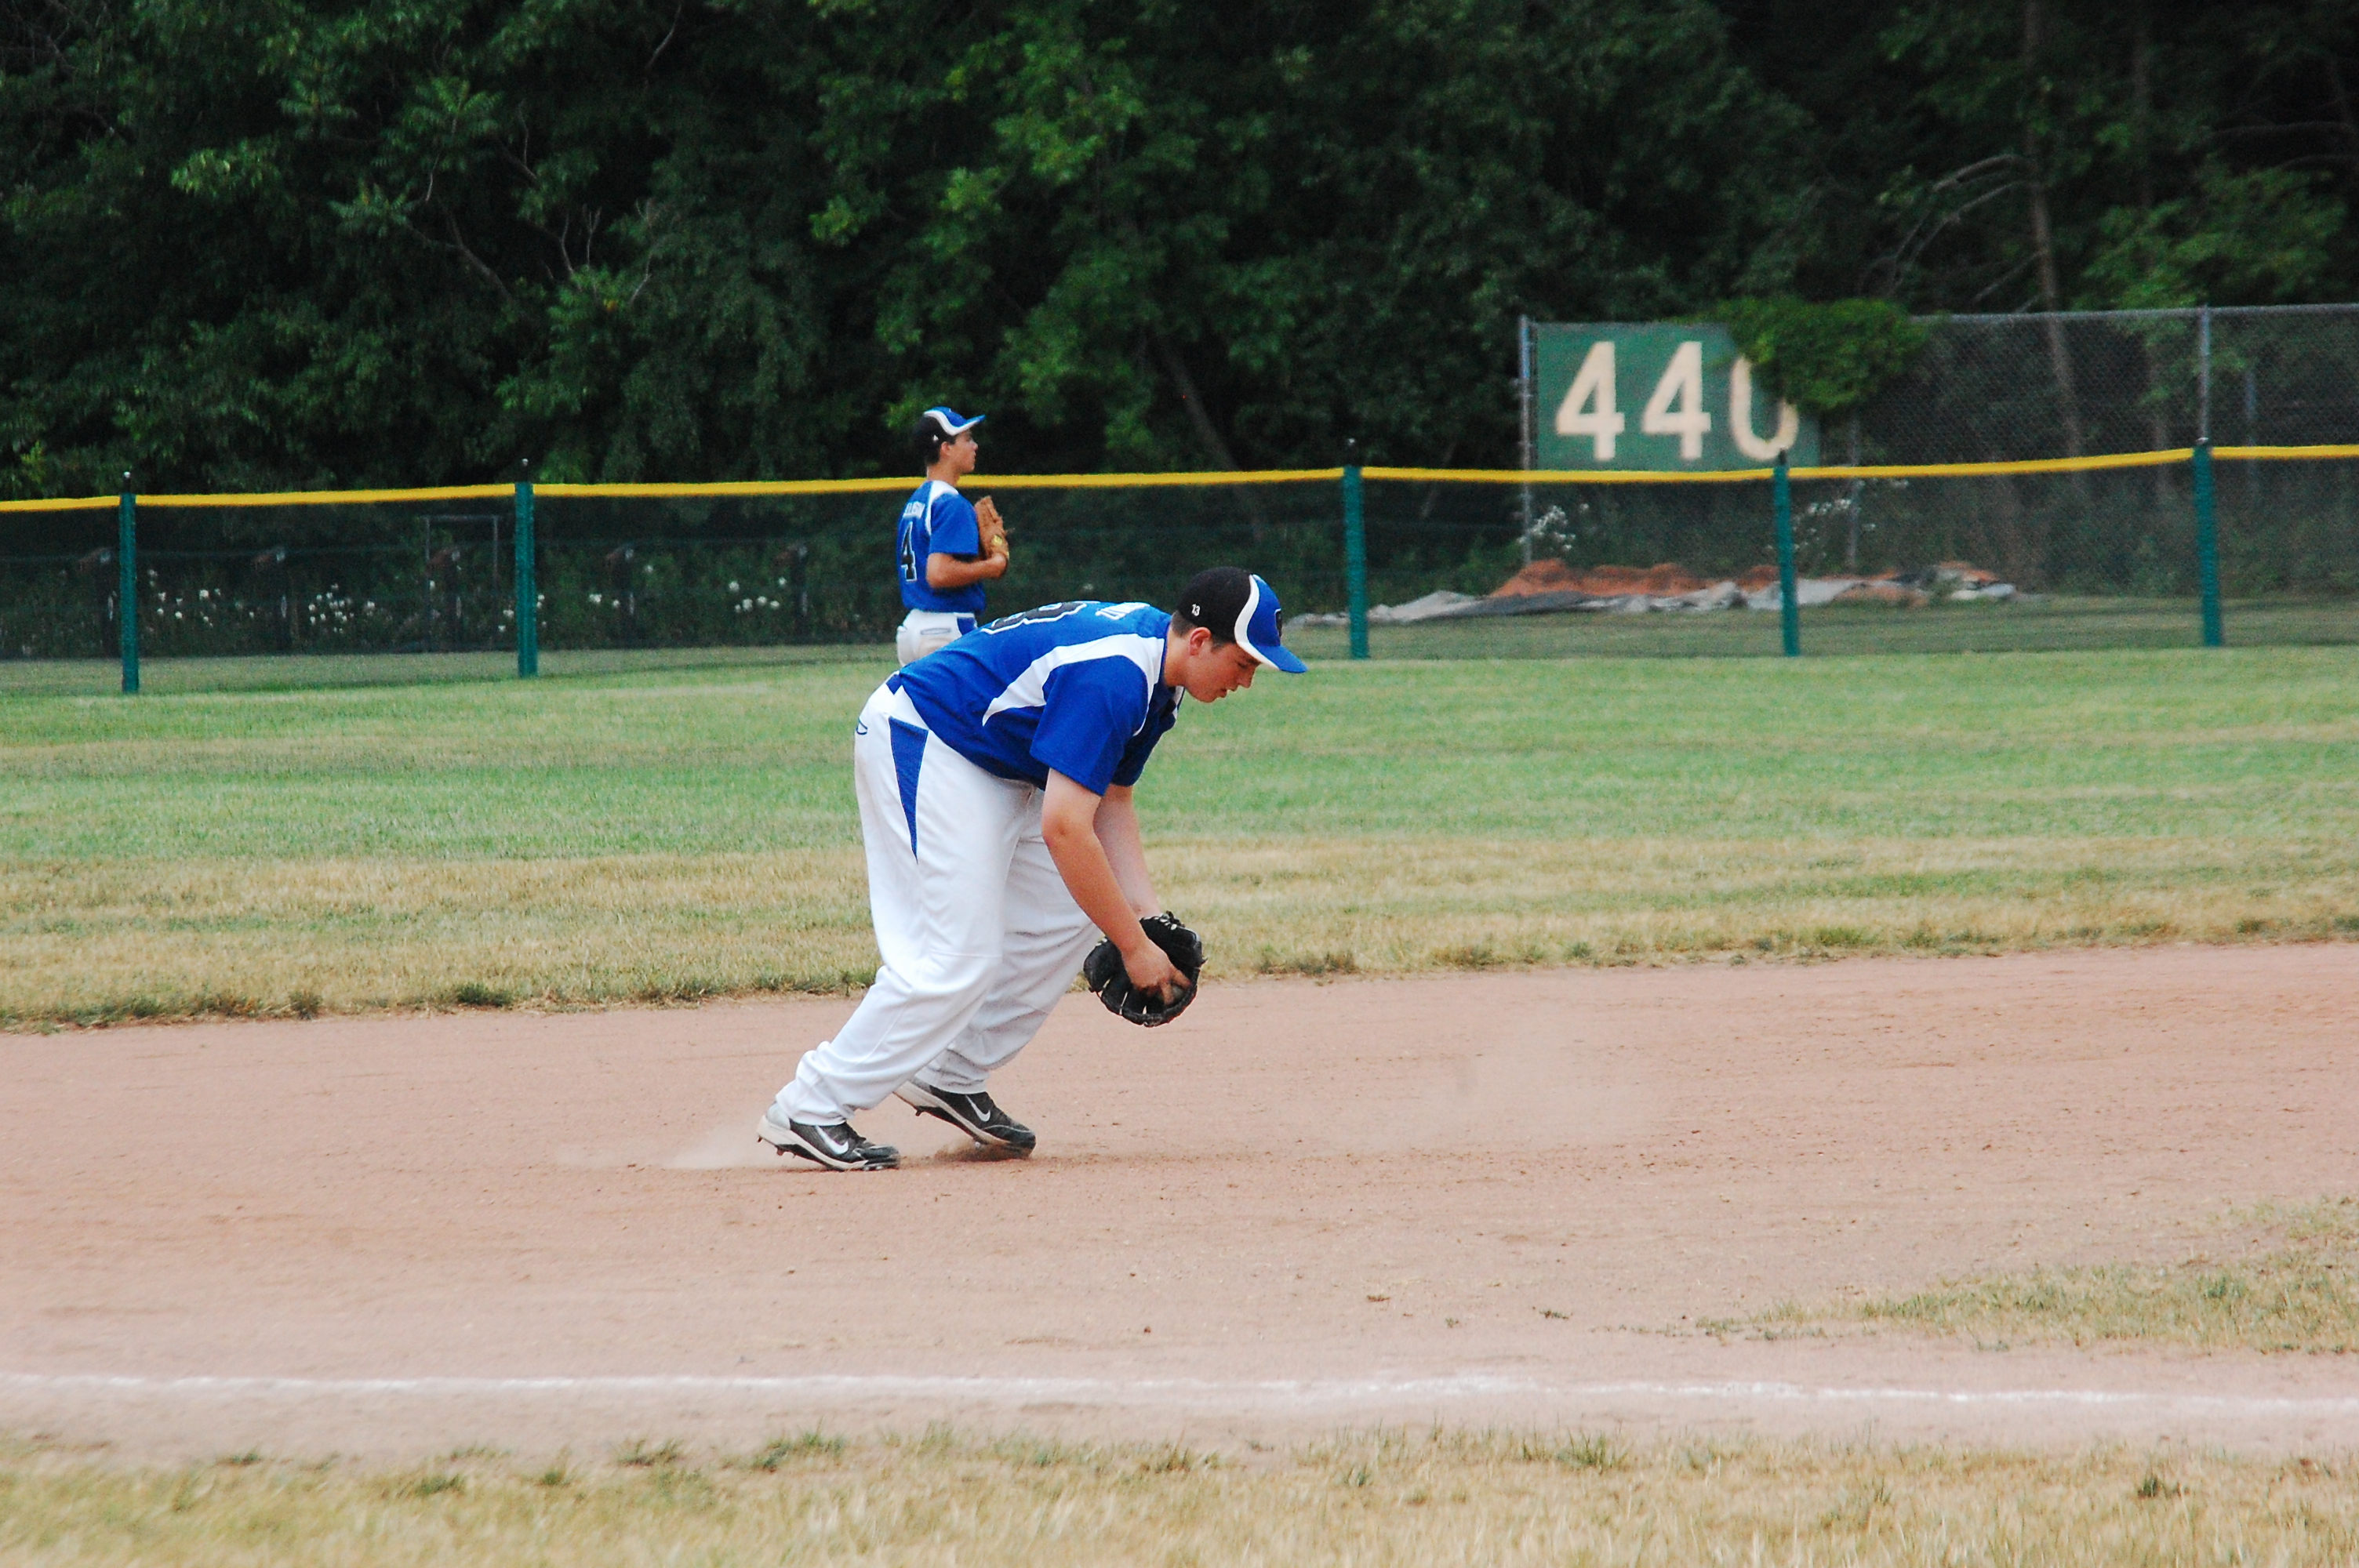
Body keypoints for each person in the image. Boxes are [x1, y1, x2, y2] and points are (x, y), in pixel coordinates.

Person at [758, 567, 1307, 1170]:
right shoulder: (1116, 675)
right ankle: (811, 1105)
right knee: (955, 956)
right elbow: (1065, 828)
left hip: (992, 765)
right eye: (1245, 663)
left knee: (1081, 902)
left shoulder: (1160, 678)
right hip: (927, 737)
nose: (1246, 681)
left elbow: (1113, 802)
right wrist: (1133, 947)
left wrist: (1147, 919)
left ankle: (950, 1073)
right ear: (1201, 642)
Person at [894, 406, 1009, 666]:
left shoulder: (917, 501)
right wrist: (992, 566)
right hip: (945, 630)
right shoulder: (951, 503)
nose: (974, 446)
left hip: (913, 628)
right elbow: (939, 574)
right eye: (967, 439)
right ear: (946, 448)